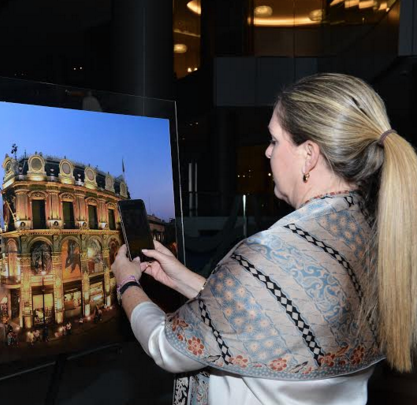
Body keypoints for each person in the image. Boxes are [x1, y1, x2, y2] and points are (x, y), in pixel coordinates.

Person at [111, 73, 417, 405]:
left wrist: (128, 283)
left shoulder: (271, 253)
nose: (268, 153)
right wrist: (180, 277)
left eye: (274, 140)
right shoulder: (379, 234)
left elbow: (166, 345)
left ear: (309, 155)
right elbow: (270, 314)